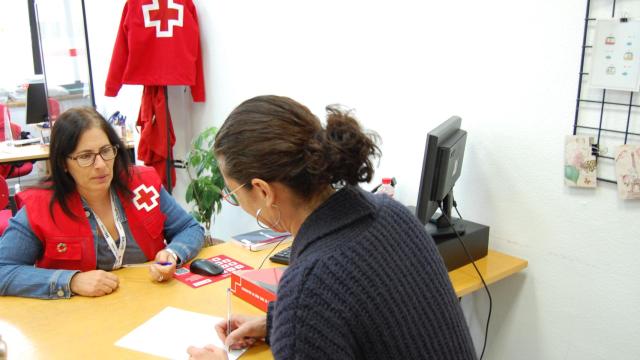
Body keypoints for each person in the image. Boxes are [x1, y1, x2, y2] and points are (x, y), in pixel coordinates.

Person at [187, 96, 476, 359]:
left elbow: (325, 302)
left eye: (233, 194)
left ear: (264, 191)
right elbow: (373, 315)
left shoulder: (308, 286)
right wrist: (277, 323)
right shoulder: (392, 214)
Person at [0, 107, 204, 299]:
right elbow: (3, 270)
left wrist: (172, 253)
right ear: (63, 162)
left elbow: (190, 228)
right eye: (85, 156)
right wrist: (71, 281)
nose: (100, 165)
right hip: (81, 323)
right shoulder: (41, 208)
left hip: (150, 305)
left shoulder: (142, 185)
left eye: (106, 151)